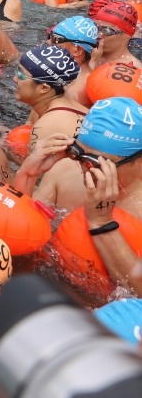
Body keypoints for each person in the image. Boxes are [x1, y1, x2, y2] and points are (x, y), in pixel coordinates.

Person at [14, 98, 142, 290]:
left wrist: (101, 223)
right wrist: (27, 176)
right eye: (78, 153)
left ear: (138, 160)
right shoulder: (65, 171)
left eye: (98, 163)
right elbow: (20, 244)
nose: (85, 168)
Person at [14, 44, 87, 156]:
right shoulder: (74, 106)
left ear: (44, 88)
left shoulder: (44, 127)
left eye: (21, 75)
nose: (14, 79)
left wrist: (10, 152)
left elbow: (32, 172)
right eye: (16, 70)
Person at [89, 0, 142, 68]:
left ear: (127, 35)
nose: (98, 35)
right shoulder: (83, 52)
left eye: (106, 31)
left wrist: (92, 65)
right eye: (95, 27)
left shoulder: (134, 69)